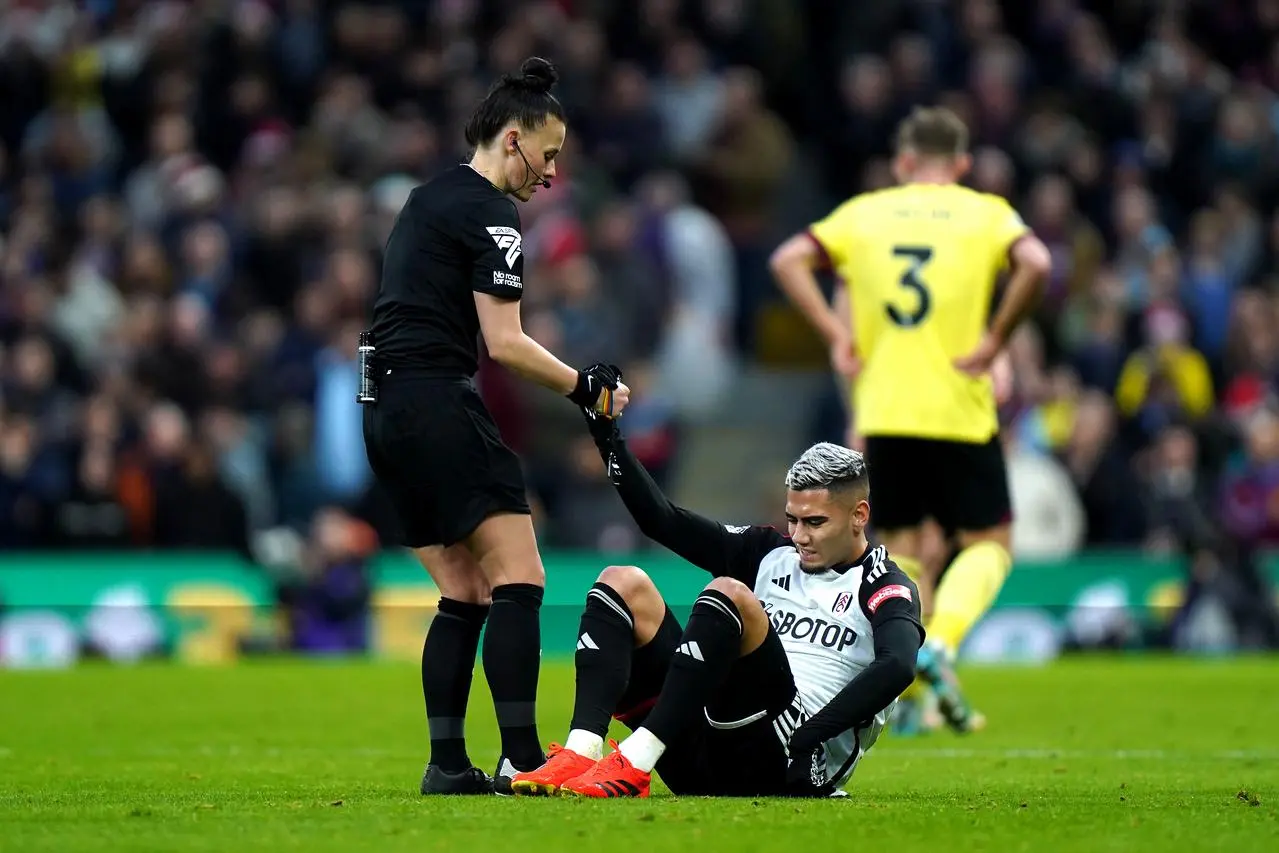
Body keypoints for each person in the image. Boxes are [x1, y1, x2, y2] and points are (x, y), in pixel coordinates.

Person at [361, 57, 631, 796]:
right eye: (547, 155)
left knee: (463, 590)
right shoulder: (490, 210)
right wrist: (586, 388)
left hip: (382, 411)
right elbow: (505, 343)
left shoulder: (425, 198)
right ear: (512, 139)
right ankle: (520, 756)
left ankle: (447, 763)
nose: (550, 174)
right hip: (437, 401)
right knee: (520, 577)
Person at [768, 106, 1051, 734]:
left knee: (905, 548)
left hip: (884, 412)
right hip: (957, 408)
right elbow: (1036, 263)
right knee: (988, 543)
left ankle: (909, 688)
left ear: (901, 163)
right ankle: (939, 645)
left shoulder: (864, 216)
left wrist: (835, 335)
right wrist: (997, 339)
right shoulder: (985, 213)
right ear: (962, 164)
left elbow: (788, 257)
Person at [510, 398, 923, 798]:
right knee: (621, 583)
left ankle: (636, 761)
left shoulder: (883, 583)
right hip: (706, 752)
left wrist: (813, 735)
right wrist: (608, 436)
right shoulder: (769, 553)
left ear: (859, 516)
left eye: (815, 522)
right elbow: (663, 520)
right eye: (793, 519)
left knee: (727, 593)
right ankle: (583, 751)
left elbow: (899, 664)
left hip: (788, 760)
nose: (799, 536)